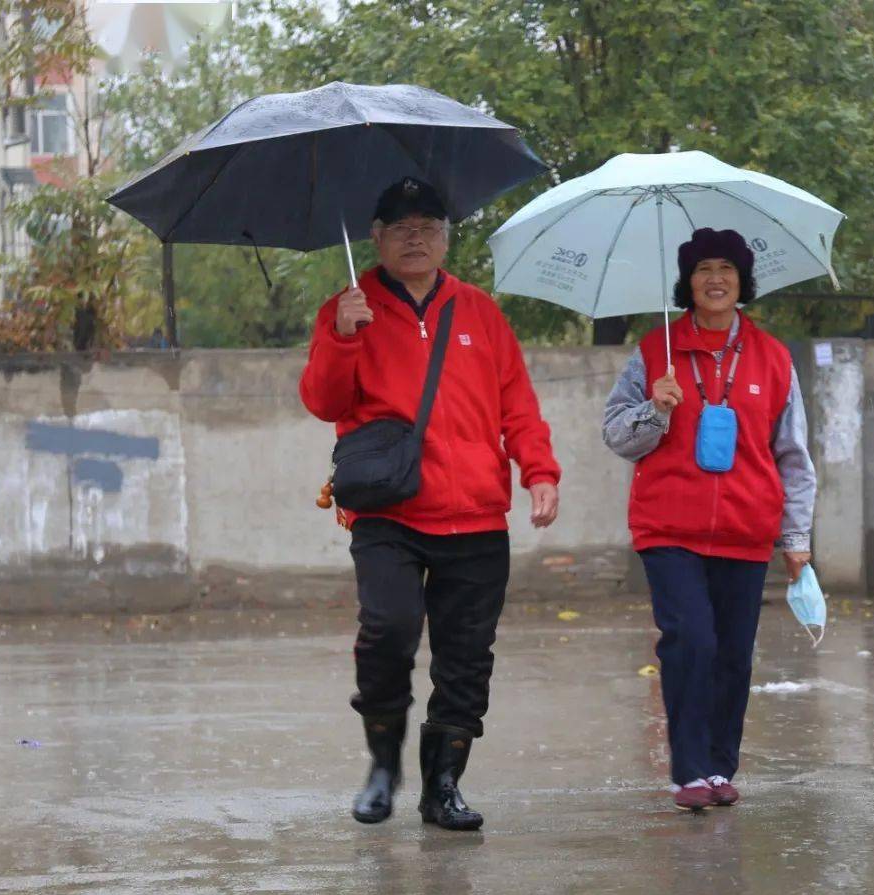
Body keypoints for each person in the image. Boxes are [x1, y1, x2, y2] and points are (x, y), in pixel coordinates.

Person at [300, 177, 561, 830]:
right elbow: (323, 402)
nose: (415, 236)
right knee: (387, 632)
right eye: (399, 225)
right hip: (389, 511)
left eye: (428, 224)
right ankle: (383, 766)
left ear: (446, 236)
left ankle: (442, 784)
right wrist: (342, 335)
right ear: (376, 238)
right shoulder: (348, 307)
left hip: (475, 515)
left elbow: (518, 405)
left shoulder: (479, 312)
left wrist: (540, 470)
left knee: (466, 660)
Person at [602, 228, 816, 812]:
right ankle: (688, 771)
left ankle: (721, 766)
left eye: (726, 268)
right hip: (669, 528)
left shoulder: (773, 358)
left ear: (742, 280)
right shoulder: (655, 353)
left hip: (747, 531)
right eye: (702, 269)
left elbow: (792, 453)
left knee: (732, 655)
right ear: (687, 281)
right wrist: (655, 409)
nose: (714, 279)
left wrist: (796, 537)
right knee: (690, 639)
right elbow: (616, 435)